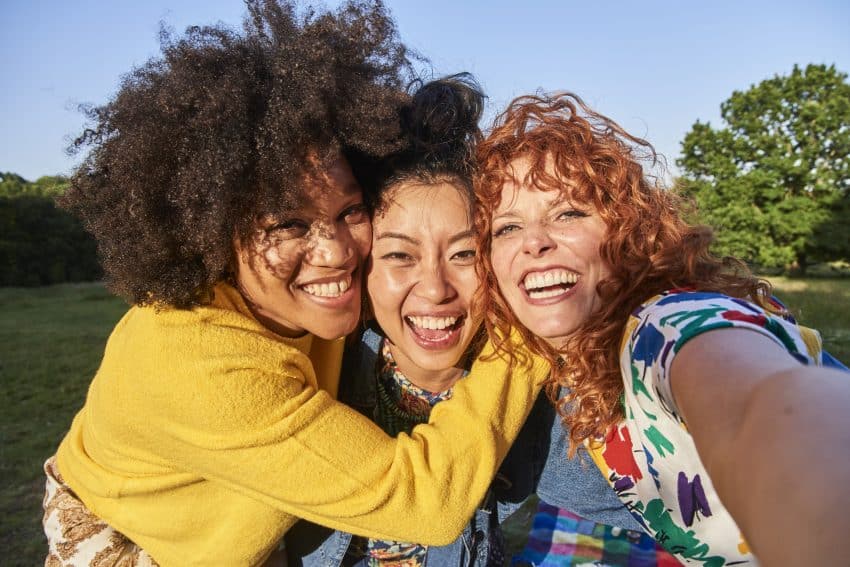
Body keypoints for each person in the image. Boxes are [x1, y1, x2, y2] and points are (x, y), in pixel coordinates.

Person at [41, 4, 548, 566]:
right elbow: (422, 502)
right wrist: (530, 330)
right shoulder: (198, 365)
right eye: (288, 224)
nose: (336, 253)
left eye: (351, 211)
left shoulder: (296, 296)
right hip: (133, 541)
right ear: (215, 229)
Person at [288, 76, 679, 567]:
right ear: (360, 268)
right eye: (400, 256)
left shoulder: (533, 403)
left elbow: (672, 499)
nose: (436, 289)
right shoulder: (310, 371)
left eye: (465, 254)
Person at [473, 92, 850, 565]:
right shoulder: (550, 365)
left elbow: (760, 400)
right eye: (507, 228)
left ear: (625, 230)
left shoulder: (663, 325)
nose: (534, 242)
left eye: (568, 213)